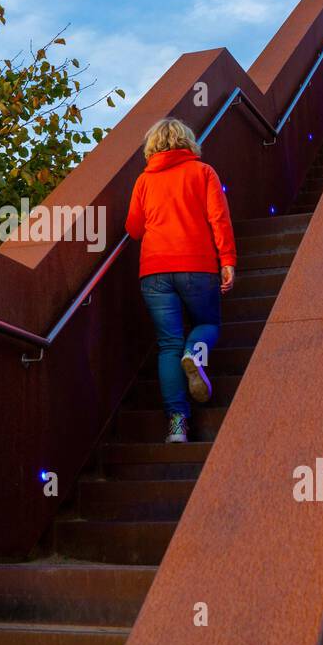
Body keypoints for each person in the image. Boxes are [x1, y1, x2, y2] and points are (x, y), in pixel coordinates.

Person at [125, 118, 236, 443]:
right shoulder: (203, 173)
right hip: (198, 267)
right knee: (208, 323)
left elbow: (133, 230)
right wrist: (227, 260)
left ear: (152, 147)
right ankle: (195, 351)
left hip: (155, 272)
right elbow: (219, 218)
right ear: (187, 142)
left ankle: (177, 425)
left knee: (167, 345)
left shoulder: (144, 181)